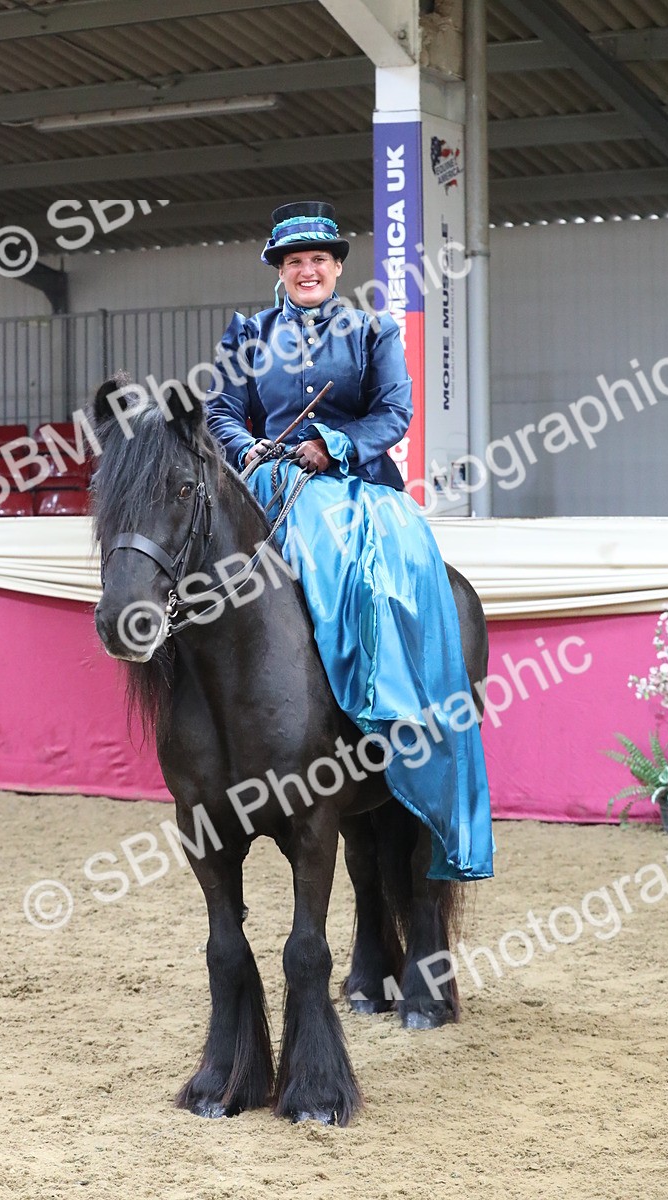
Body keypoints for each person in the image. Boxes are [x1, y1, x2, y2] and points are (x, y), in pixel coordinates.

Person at [205, 201, 492, 881]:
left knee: (389, 563)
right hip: (265, 481)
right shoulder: (249, 333)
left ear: (337, 268)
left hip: (353, 486)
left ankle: (386, 708)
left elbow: (395, 411)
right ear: (281, 271)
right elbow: (220, 409)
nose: (307, 270)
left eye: (319, 261)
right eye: (295, 261)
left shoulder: (372, 330)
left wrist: (328, 445)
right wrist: (253, 449)